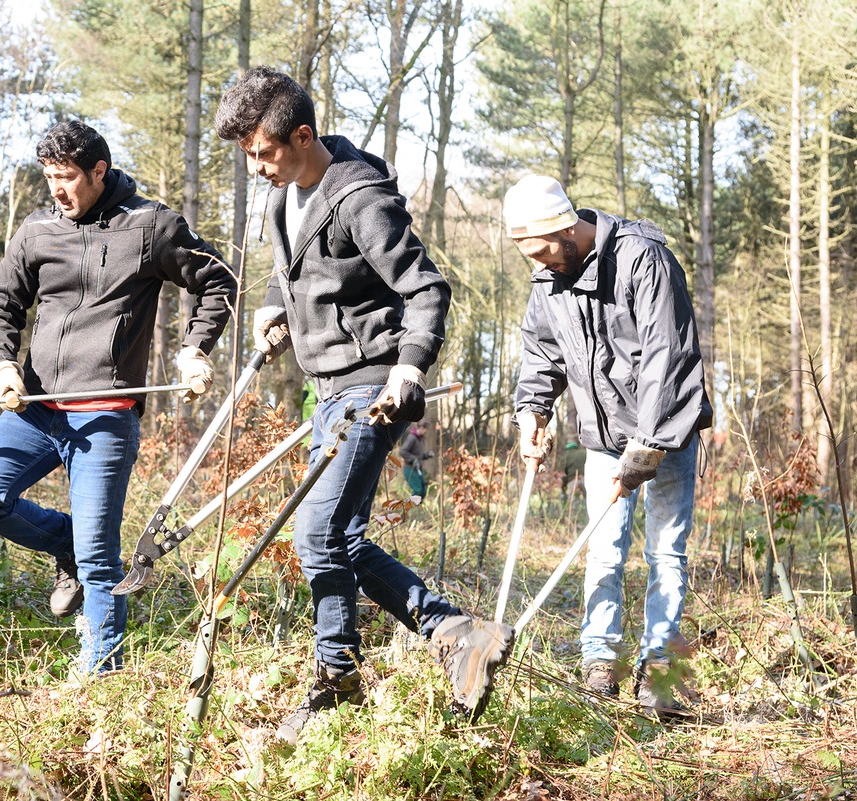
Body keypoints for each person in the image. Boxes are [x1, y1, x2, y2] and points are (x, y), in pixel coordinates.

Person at [215, 66, 514, 745]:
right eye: (247, 156)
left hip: (371, 385)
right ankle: (457, 631)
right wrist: (271, 309)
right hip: (326, 389)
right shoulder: (285, 196)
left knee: (315, 534)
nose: (255, 167)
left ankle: (339, 675)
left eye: (262, 152)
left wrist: (409, 369)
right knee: (338, 536)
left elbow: (427, 289)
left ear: (301, 134)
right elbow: (286, 270)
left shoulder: (360, 198)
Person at [0, 120, 237, 676]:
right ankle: (67, 545)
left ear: (98, 172)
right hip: (34, 409)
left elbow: (218, 280)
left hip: (106, 413)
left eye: (66, 178)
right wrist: (0, 363)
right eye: (49, 178)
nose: (56, 190)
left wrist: (195, 350)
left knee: (100, 554)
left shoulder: (151, 226)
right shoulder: (37, 230)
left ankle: (101, 670)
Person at [505, 174, 712, 715]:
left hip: (665, 434)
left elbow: (669, 357)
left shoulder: (645, 260)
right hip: (601, 438)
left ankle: (661, 671)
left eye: (545, 249)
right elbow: (541, 354)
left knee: (665, 553)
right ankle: (600, 663)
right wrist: (533, 412)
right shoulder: (548, 279)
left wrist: (645, 450)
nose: (542, 262)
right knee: (603, 553)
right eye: (530, 255)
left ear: (566, 226)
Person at [398, 420, 434, 499]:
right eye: (425, 429)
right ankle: (411, 508)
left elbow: (419, 456)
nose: (426, 431)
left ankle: (418, 508)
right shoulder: (412, 437)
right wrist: (413, 459)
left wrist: (427, 455)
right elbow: (402, 451)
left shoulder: (420, 439)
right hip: (410, 468)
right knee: (418, 490)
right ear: (421, 427)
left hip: (418, 468)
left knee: (423, 490)